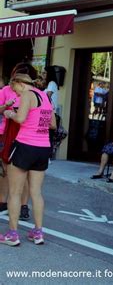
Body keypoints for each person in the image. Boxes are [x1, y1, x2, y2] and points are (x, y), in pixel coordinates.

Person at [0, 74, 56, 246]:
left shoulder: (26, 94)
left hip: (25, 145)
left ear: (19, 83)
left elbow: (20, 119)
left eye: (15, 89)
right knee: (36, 192)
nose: (15, 94)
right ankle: (38, 232)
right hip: (43, 147)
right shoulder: (45, 96)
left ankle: (13, 234)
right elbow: (52, 124)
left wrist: (9, 113)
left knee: (15, 192)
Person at [0, 62, 38, 220]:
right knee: (5, 167)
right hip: (6, 132)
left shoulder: (35, 93)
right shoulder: (5, 90)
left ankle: (23, 206)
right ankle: (2, 201)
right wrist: (6, 108)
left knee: (24, 170)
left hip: (25, 133)